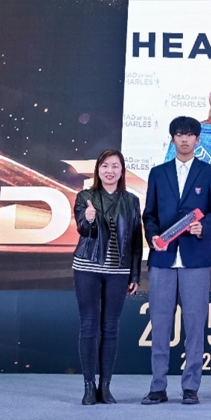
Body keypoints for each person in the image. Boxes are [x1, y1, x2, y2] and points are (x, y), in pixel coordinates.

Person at [141, 116, 211, 405]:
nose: (185, 139)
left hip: (195, 257)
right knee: (160, 325)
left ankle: (191, 387)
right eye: (179, 134)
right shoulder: (158, 173)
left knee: (195, 325)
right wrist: (153, 235)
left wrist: (205, 227)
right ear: (173, 138)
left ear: (198, 139)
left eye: (190, 134)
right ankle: (158, 387)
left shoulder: (209, 172)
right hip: (163, 258)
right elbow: (149, 214)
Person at [72, 149, 143, 405]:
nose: (109, 171)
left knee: (111, 327)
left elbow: (136, 240)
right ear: (98, 170)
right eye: (105, 166)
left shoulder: (132, 200)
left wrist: (135, 273)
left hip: (118, 272)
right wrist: (88, 219)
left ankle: (105, 386)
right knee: (89, 325)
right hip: (87, 268)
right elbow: (83, 230)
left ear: (122, 171)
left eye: (115, 166)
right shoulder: (85, 197)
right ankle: (89, 386)